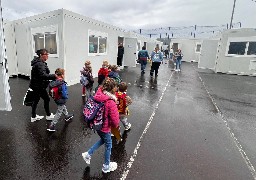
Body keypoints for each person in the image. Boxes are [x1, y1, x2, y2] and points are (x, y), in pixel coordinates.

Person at [82, 77, 120, 173]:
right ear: (112, 89)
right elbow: (115, 121)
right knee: (108, 144)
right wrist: (116, 127)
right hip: (105, 127)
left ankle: (88, 154)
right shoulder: (110, 102)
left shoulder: (99, 93)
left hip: (97, 124)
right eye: (115, 86)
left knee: (103, 140)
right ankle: (106, 166)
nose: (117, 88)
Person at [29, 49, 56, 122]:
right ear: (41, 55)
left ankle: (33, 116)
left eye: (48, 54)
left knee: (36, 100)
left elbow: (41, 75)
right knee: (46, 99)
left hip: (36, 85)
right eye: (45, 54)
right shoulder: (40, 64)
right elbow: (43, 75)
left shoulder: (38, 62)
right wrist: (54, 76)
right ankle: (48, 115)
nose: (47, 56)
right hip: (39, 86)